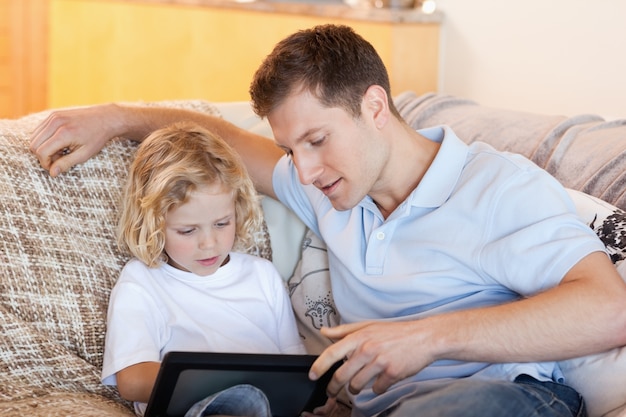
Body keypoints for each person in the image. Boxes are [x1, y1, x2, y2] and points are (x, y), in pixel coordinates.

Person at [30, 24, 626, 417]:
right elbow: (225, 140)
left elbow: (609, 310)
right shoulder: (329, 187)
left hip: (501, 398)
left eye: (316, 140)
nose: (305, 170)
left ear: (373, 108)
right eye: (292, 150)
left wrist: (430, 336)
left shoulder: (500, 188)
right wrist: (113, 118)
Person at [100, 121, 305, 417]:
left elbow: (295, 367)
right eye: (187, 231)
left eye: (222, 224)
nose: (209, 244)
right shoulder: (142, 282)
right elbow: (132, 381)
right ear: (154, 224)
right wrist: (225, 384)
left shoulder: (263, 276)